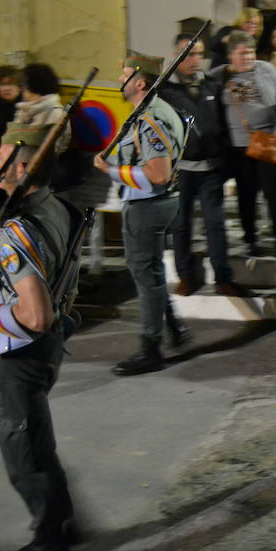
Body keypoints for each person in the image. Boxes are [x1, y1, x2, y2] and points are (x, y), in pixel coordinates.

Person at [0, 123, 80, 551]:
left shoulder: (14, 232)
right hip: (48, 348)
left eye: (3, 154)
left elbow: (34, 314)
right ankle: (60, 518)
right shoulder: (58, 207)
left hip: (18, 352)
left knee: (23, 449)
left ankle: (48, 544)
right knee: (38, 439)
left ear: (23, 166)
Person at [93, 51, 186, 376]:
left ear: (140, 81)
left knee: (146, 279)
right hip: (158, 204)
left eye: (125, 74)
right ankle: (174, 329)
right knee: (154, 275)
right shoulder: (157, 111)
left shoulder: (148, 120)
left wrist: (113, 171)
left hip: (146, 205)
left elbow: (157, 174)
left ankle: (151, 348)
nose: (120, 79)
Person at [160, 33, 247, 299]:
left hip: (211, 169)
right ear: (176, 57)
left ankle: (222, 277)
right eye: (188, 54)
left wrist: (227, 163)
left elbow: (224, 123)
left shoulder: (212, 86)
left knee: (215, 224)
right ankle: (185, 275)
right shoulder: (166, 91)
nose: (195, 59)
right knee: (181, 225)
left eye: (198, 54)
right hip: (182, 171)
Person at [210, 31, 276, 259]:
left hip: (267, 141)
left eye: (251, 52)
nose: (248, 57)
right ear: (231, 56)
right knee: (245, 195)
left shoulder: (266, 69)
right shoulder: (220, 76)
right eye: (242, 53)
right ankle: (250, 239)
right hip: (238, 148)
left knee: (274, 195)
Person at [14, 64, 70, 154]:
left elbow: (52, 151)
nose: (21, 90)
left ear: (33, 87)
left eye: (23, 85)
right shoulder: (26, 109)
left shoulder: (56, 113)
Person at [0, 65, 21, 143]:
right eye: (2, 84)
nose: (6, 88)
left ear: (20, 86)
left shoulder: (28, 106)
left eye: (11, 84)